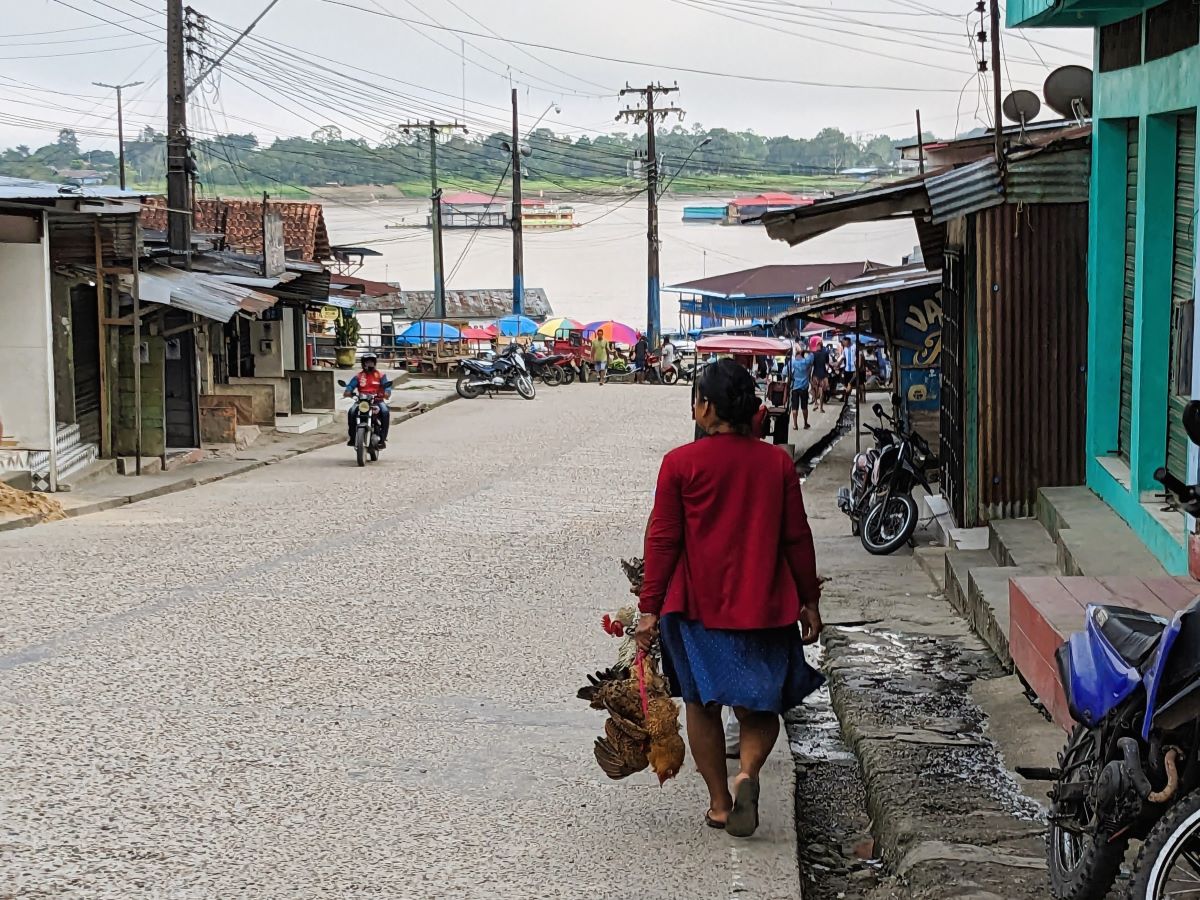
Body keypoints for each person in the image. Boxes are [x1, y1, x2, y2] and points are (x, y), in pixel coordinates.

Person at [636, 359, 823, 837]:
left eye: (697, 397)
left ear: (709, 408)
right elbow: (796, 538)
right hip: (764, 605)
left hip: (697, 611)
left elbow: (663, 540)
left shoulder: (680, 464)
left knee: (702, 706)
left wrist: (648, 609)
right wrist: (809, 601)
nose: (694, 405)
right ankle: (747, 775)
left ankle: (720, 804)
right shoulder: (776, 463)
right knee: (760, 709)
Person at [343, 353, 392, 448]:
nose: (369, 364)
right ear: (363, 363)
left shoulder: (381, 375)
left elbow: (387, 387)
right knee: (351, 412)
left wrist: (386, 393)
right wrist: (348, 391)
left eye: (371, 362)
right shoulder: (359, 376)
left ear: (374, 363)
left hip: (377, 401)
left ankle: (382, 439)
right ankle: (353, 438)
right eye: (367, 362)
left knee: (385, 412)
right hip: (362, 401)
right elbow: (350, 386)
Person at [786, 345, 815, 430]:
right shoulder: (806, 362)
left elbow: (784, 372)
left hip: (794, 388)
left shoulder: (792, 362)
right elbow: (812, 355)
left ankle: (795, 425)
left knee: (794, 407)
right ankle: (805, 423)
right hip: (804, 388)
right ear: (802, 355)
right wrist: (806, 351)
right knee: (804, 407)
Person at [810, 340, 830, 414]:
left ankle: (815, 403)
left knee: (814, 389)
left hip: (815, 374)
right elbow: (827, 364)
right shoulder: (826, 353)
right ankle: (821, 408)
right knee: (822, 391)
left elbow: (811, 364)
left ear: (817, 346)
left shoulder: (813, 354)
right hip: (823, 374)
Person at [840, 336, 858, 400]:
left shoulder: (855, 347)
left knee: (850, 384)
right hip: (847, 369)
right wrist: (838, 363)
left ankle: (848, 397)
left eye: (844, 342)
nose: (843, 343)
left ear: (847, 341)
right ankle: (846, 397)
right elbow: (843, 357)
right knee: (846, 384)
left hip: (853, 369)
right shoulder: (845, 348)